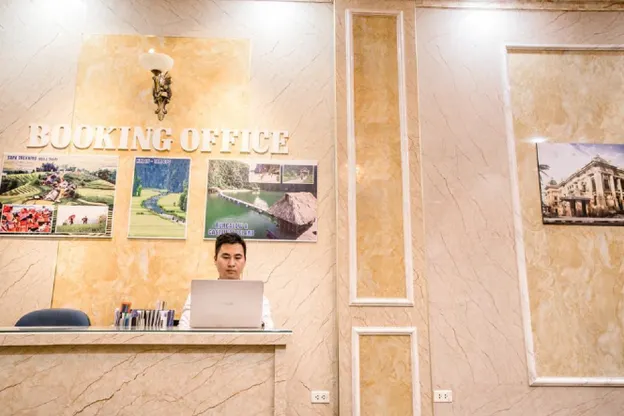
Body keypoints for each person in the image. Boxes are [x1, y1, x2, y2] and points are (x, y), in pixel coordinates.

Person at [178, 232, 274, 329]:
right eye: (226, 257)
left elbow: (269, 329)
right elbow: (183, 328)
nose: (231, 264)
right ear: (215, 260)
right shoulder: (198, 296)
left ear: (244, 261)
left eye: (237, 258)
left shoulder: (257, 298)